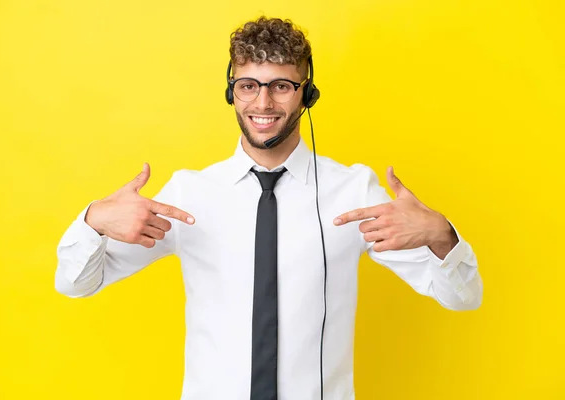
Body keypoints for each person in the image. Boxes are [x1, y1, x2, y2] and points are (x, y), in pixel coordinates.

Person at [55, 16, 483, 400]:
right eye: (249, 86)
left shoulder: (353, 192)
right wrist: (92, 222)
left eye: (281, 86)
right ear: (232, 91)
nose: (263, 104)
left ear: (307, 93)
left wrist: (442, 236)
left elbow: (463, 298)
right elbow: (76, 285)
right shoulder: (189, 194)